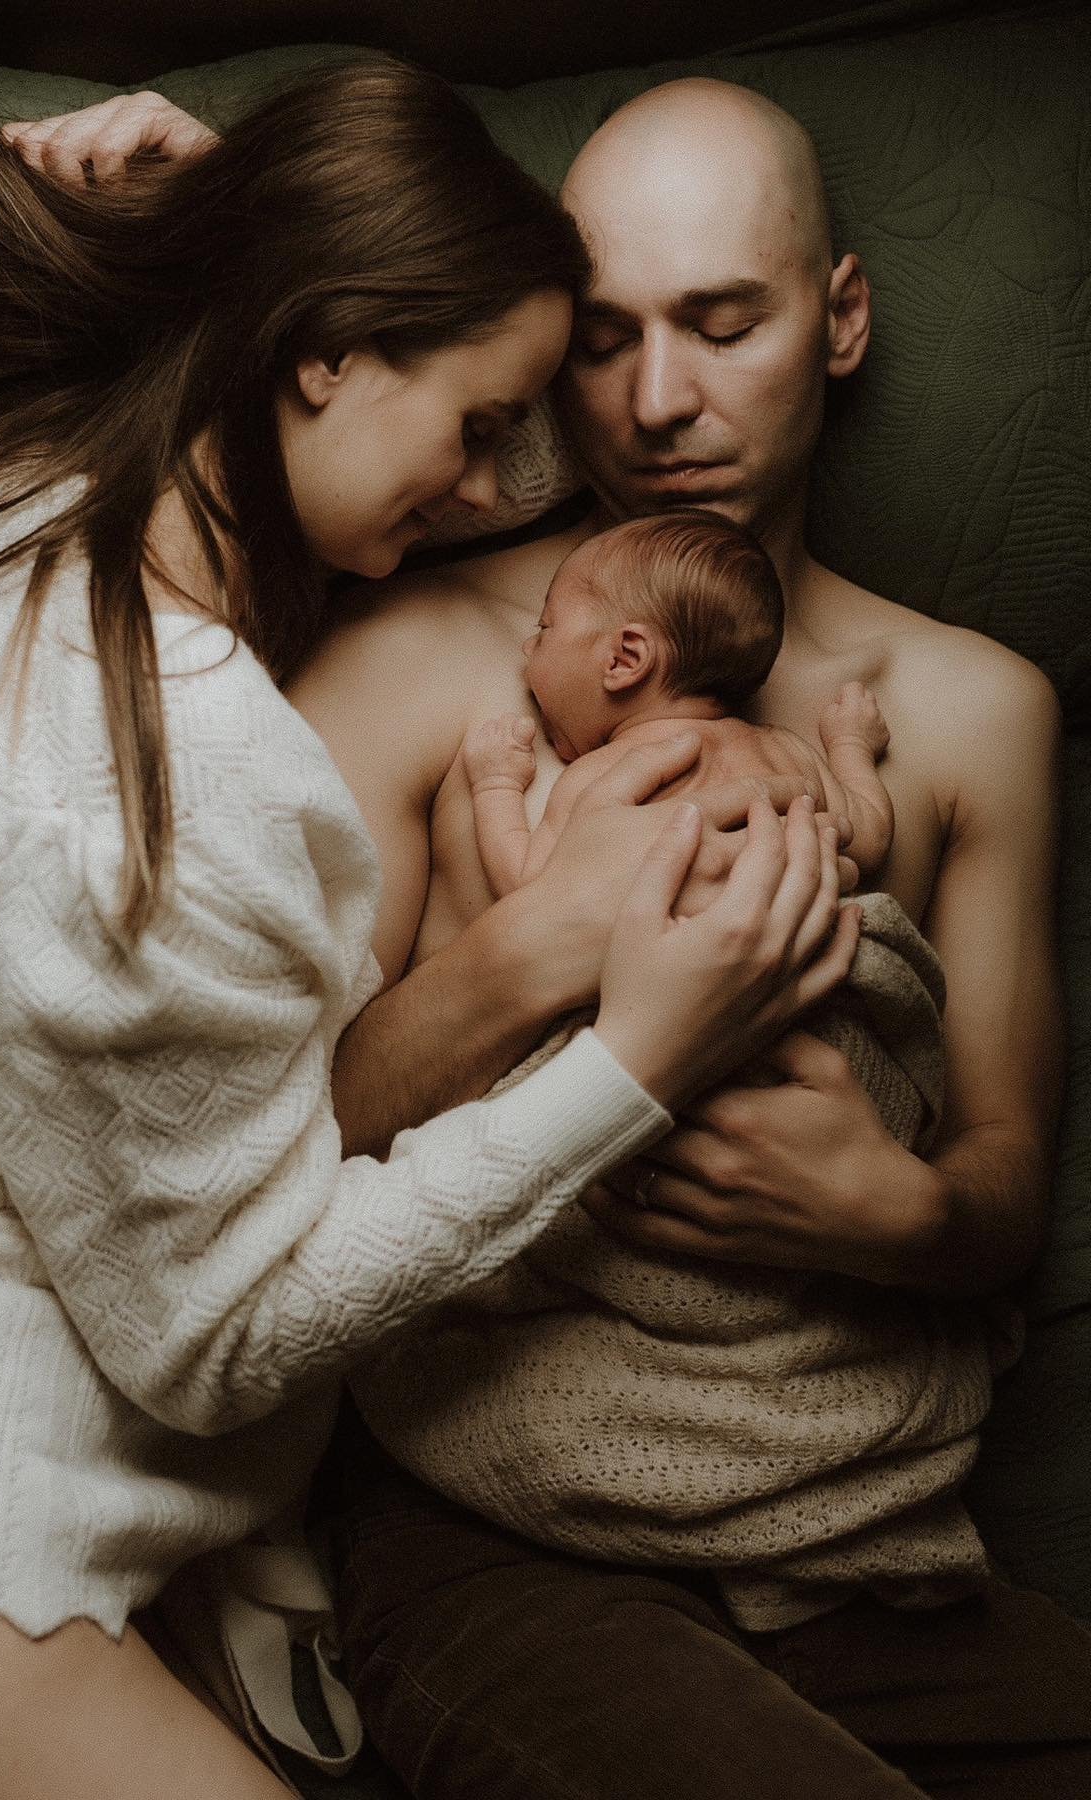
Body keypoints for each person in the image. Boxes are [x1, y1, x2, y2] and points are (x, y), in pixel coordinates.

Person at [0, 14, 857, 1800]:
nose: (490, 488)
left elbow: (367, 403)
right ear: (320, 360)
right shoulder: (155, 770)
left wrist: (247, 209)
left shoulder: (31, 496)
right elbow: (224, 1341)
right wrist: (635, 1061)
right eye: (477, 426)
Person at [289, 76, 1086, 1800]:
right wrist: (548, 956)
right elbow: (248, 1148)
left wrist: (905, 1210)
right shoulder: (422, 654)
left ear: (842, 316)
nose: (659, 404)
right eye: (606, 340)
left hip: (866, 1543)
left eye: (725, 325)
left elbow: (1009, 1192)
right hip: (499, 1539)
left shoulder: (971, 712)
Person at [464, 510, 894, 895]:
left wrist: (495, 784)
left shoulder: (603, 777)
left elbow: (528, 889)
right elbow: (871, 839)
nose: (526, 648)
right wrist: (850, 746)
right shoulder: (786, 751)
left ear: (624, 659)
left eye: (544, 628)